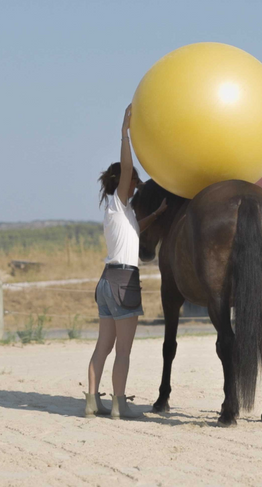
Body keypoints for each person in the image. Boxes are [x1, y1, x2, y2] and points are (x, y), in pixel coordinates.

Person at [84, 104, 167, 419]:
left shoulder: (119, 212)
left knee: (103, 347)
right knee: (123, 351)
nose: (137, 184)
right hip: (123, 282)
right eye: (133, 181)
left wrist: (156, 216)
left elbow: (133, 232)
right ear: (124, 182)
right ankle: (120, 404)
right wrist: (125, 133)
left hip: (106, 281)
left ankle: (93, 401)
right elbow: (129, 168)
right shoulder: (120, 201)